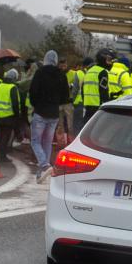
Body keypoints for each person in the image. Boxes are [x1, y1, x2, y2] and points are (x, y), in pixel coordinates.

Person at [29, 50, 70, 182]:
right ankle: (42, 173)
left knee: (35, 141)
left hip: (40, 111)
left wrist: (35, 104)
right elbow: (65, 97)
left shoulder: (40, 73)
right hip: (54, 113)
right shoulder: (62, 75)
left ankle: (44, 164)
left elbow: (33, 92)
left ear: (45, 59)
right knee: (47, 142)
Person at [0, 69, 26, 163]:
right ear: (15, 78)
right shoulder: (13, 87)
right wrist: (17, 115)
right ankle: (2, 156)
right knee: (5, 137)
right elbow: (15, 103)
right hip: (8, 116)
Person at [81, 49, 120, 127]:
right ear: (103, 60)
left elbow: (82, 89)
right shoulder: (103, 72)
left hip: (87, 106)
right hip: (98, 108)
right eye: (109, 60)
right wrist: (109, 102)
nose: (111, 63)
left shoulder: (90, 71)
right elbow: (103, 91)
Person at [71, 58, 91, 136]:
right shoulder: (90, 73)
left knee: (76, 124)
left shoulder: (78, 73)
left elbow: (75, 90)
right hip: (88, 102)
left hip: (78, 103)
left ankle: (75, 142)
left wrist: (73, 100)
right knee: (84, 125)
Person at [58, 58, 74, 137]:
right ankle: (61, 143)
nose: (63, 67)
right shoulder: (56, 73)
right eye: (61, 65)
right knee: (60, 125)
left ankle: (71, 141)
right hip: (59, 102)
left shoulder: (72, 73)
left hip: (68, 101)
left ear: (67, 65)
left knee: (70, 124)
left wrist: (70, 86)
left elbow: (77, 84)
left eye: (64, 65)